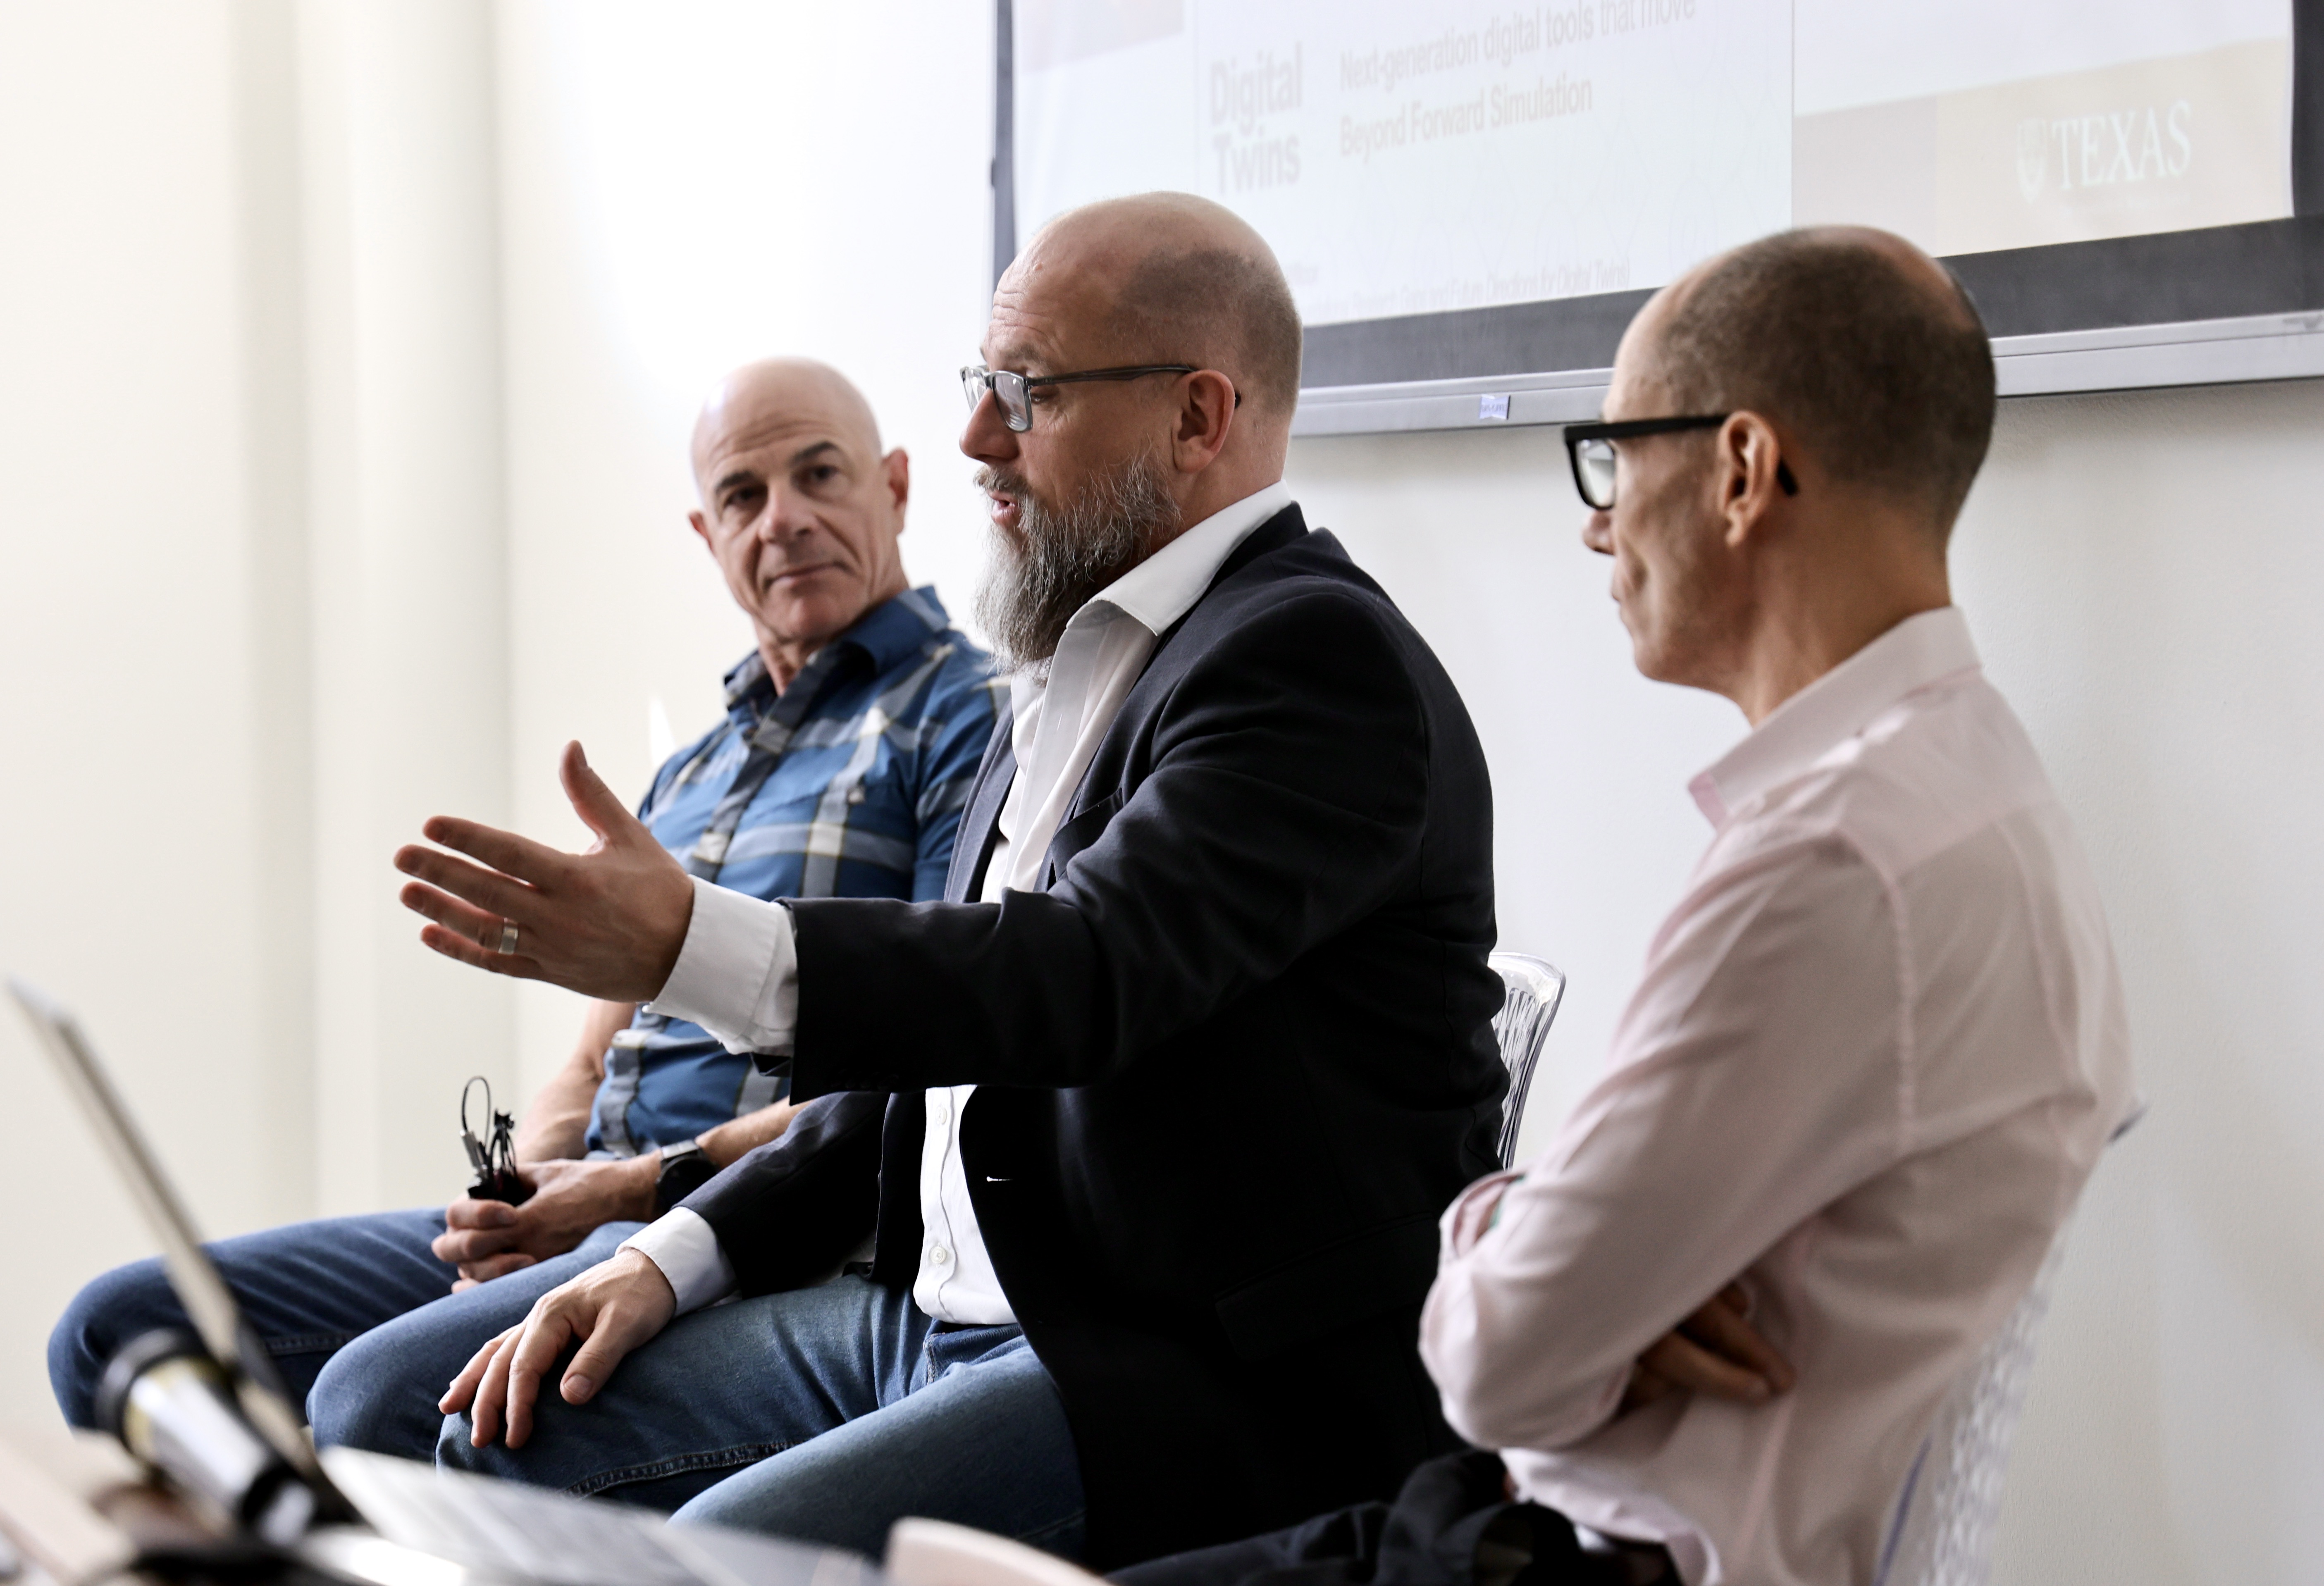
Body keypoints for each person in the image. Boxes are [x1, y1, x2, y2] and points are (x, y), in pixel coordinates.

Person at [386, 192, 1506, 1568]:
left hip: (1153, 1364)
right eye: (986, 387)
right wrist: (666, 1257)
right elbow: (934, 1066)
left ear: (1198, 419)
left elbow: (1078, 980)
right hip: (931, 1315)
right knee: (475, 1428)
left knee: (717, 1563)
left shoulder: (1313, 666)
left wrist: (689, 944)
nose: (979, 439)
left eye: (1025, 394)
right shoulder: (1070, 663)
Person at [1117, 227, 2139, 1586]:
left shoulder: (1829, 865)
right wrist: (1582, 1275)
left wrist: (1502, 1227)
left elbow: (1494, 1366)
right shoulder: (1978, 786)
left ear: (1741, 470)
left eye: (1615, 455)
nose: (1596, 521)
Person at [49, 358, 1000, 1463]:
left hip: (731, 1218)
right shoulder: (694, 766)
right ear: (707, 534)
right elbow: (595, 1055)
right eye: (744, 496)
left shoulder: (962, 720)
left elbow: (934, 1064)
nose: (783, 521)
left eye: (819, 475)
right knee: (113, 1333)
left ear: (894, 486)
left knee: (373, 1407)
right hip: (581, 1200)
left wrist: (623, 1191)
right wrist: (521, 1194)